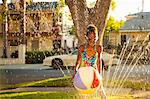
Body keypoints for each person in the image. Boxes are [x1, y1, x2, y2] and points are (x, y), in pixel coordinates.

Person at [73, 24, 107, 98]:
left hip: (94, 72)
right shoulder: (82, 48)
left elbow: (98, 62)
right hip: (84, 73)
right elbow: (78, 61)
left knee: (101, 91)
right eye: (90, 38)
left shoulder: (98, 48)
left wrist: (99, 74)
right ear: (87, 37)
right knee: (84, 92)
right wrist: (75, 72)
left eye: (94, 38)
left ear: (97, 37)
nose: (92, 40)